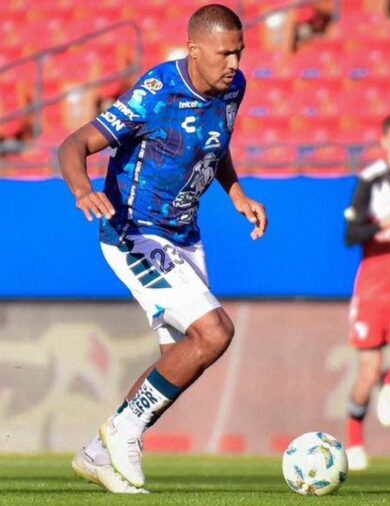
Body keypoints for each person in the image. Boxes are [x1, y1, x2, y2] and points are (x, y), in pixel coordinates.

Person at [58, 4, 267, 493]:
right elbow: (73, 144)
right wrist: (82, 190)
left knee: (185, 355)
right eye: (224, 53)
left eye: (239, 51)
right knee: (214, 333)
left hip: (184, 235)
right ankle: (123, 430)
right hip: (133, 230)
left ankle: (95, 454)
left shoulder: (233, 87)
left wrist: (236, 193)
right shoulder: (156, 93)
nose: (234, 62)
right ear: (194, 49)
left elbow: (214, 145)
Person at [344, 112, 390, 471]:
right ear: (386, 142)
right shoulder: (371, 181)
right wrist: (379, 226)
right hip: (374, 286)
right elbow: (350, 235)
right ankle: (354, 435)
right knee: (366, 372)